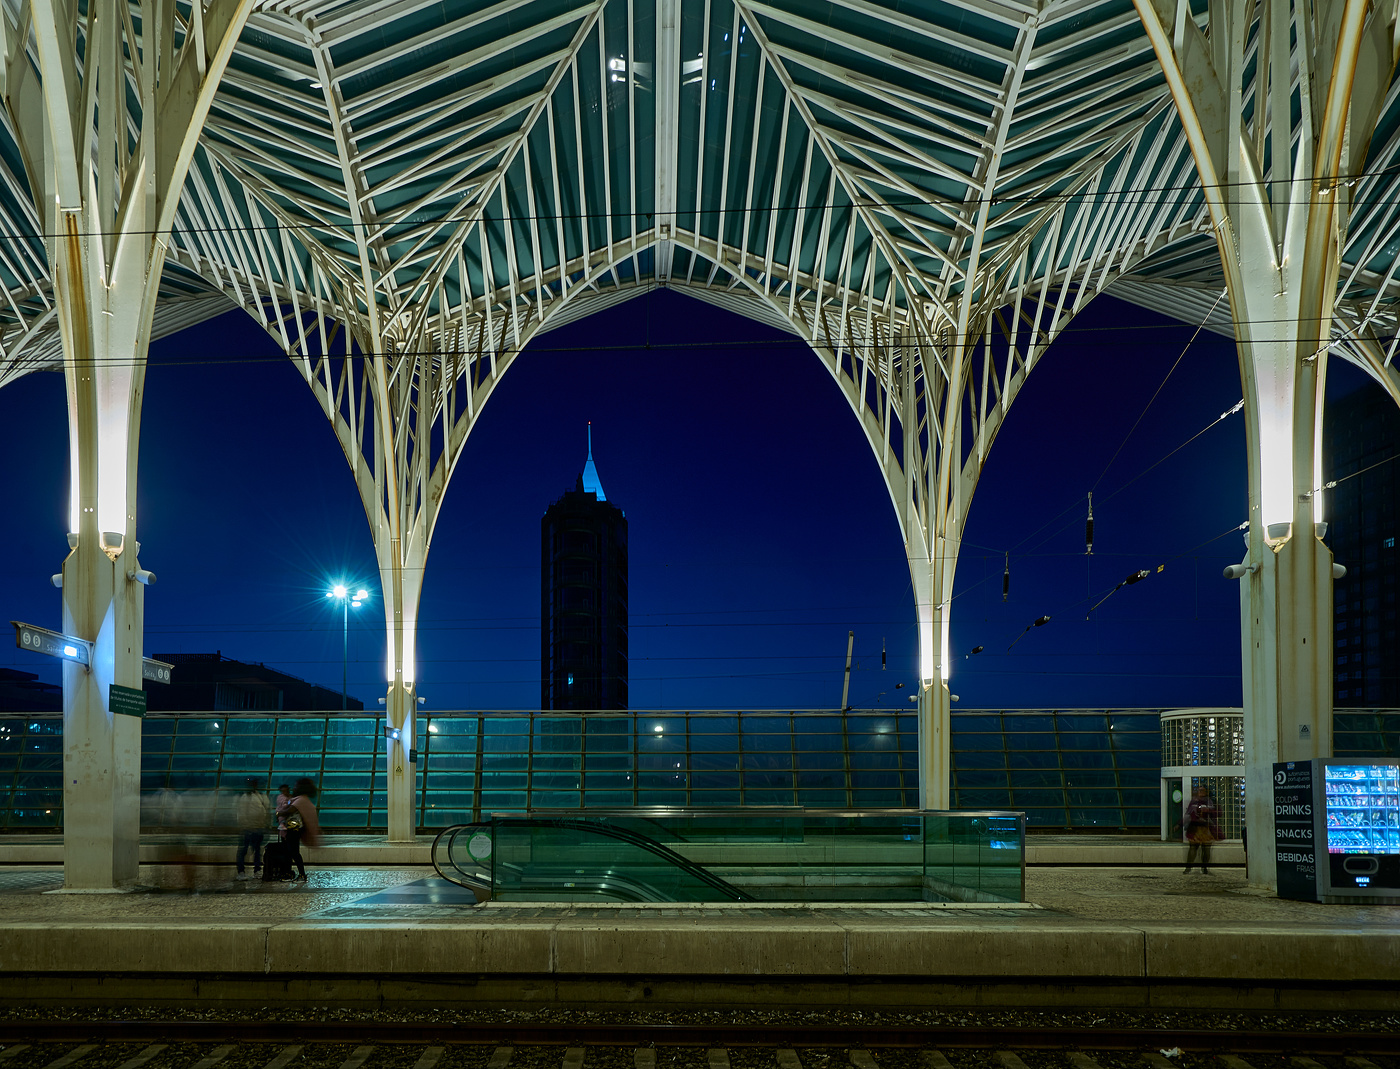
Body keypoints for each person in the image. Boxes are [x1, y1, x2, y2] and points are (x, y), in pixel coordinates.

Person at [276, 778, 321, 884]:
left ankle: (301, 874)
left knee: (294, 852)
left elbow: (289, 810)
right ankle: (292, 873)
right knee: (291, 852)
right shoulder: (301, 799)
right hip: (294, 830)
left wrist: (279, 813)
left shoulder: (300, 800)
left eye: (296, 786)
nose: (294, 788)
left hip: (294, 830)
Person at [234, 778, 271, 880]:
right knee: (255, 851)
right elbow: (266, 812)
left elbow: (241, 813)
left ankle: (243, 871)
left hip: (252, 828)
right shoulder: (260, 797)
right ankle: (254, 870)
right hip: (254, 828)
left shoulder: (246, 797)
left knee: (246, 851)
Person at [1183, 784, 1221, 874]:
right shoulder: (1194, 801)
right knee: (1193, 849)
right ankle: (1188, 868)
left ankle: (1204, 868)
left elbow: (1217, 813)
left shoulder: (1210, 801)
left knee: (1206, 849)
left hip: (1206, 828)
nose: (1201, 792)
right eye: (1199, 791)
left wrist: (1208, 810)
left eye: (1202, 790)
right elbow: (1188, 813)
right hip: (1195, 828)